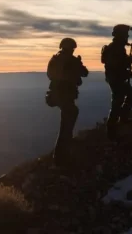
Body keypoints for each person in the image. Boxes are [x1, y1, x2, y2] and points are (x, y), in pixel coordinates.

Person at [45, 37, 89, 166]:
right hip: (65, 96)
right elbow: (84, 73)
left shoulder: (55, 59)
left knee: (67, 122)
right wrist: (79, 64)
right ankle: (61, 158)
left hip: (56, 95)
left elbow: (51, 75)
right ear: (72, 48)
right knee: (67, 126)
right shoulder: (71, 60)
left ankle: (61, 155)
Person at [101, 24, 132, 140]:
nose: (127, 36)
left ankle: (121, 119)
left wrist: (127, 63)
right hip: (116, 79)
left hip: (116, 79)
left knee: (127, 96)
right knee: (117, 103)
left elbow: (118, 63)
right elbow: (116, 65)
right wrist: (127, 63)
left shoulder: (117, 47)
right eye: (125, 34)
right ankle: (112, 131)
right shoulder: (115, 48)